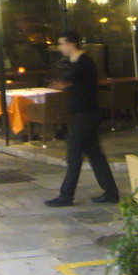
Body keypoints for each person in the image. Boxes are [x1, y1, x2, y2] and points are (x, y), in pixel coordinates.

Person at [45, 31, 119, 207]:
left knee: (74, 154)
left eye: (62, 44)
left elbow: (70, 80)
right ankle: (111, 193)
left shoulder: (83, 62)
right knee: (95, 154)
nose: (59, 47)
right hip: (83, 114)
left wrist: (61, 84)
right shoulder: (76, 62)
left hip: (85, 115)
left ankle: (66, 195)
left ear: (72, 44)